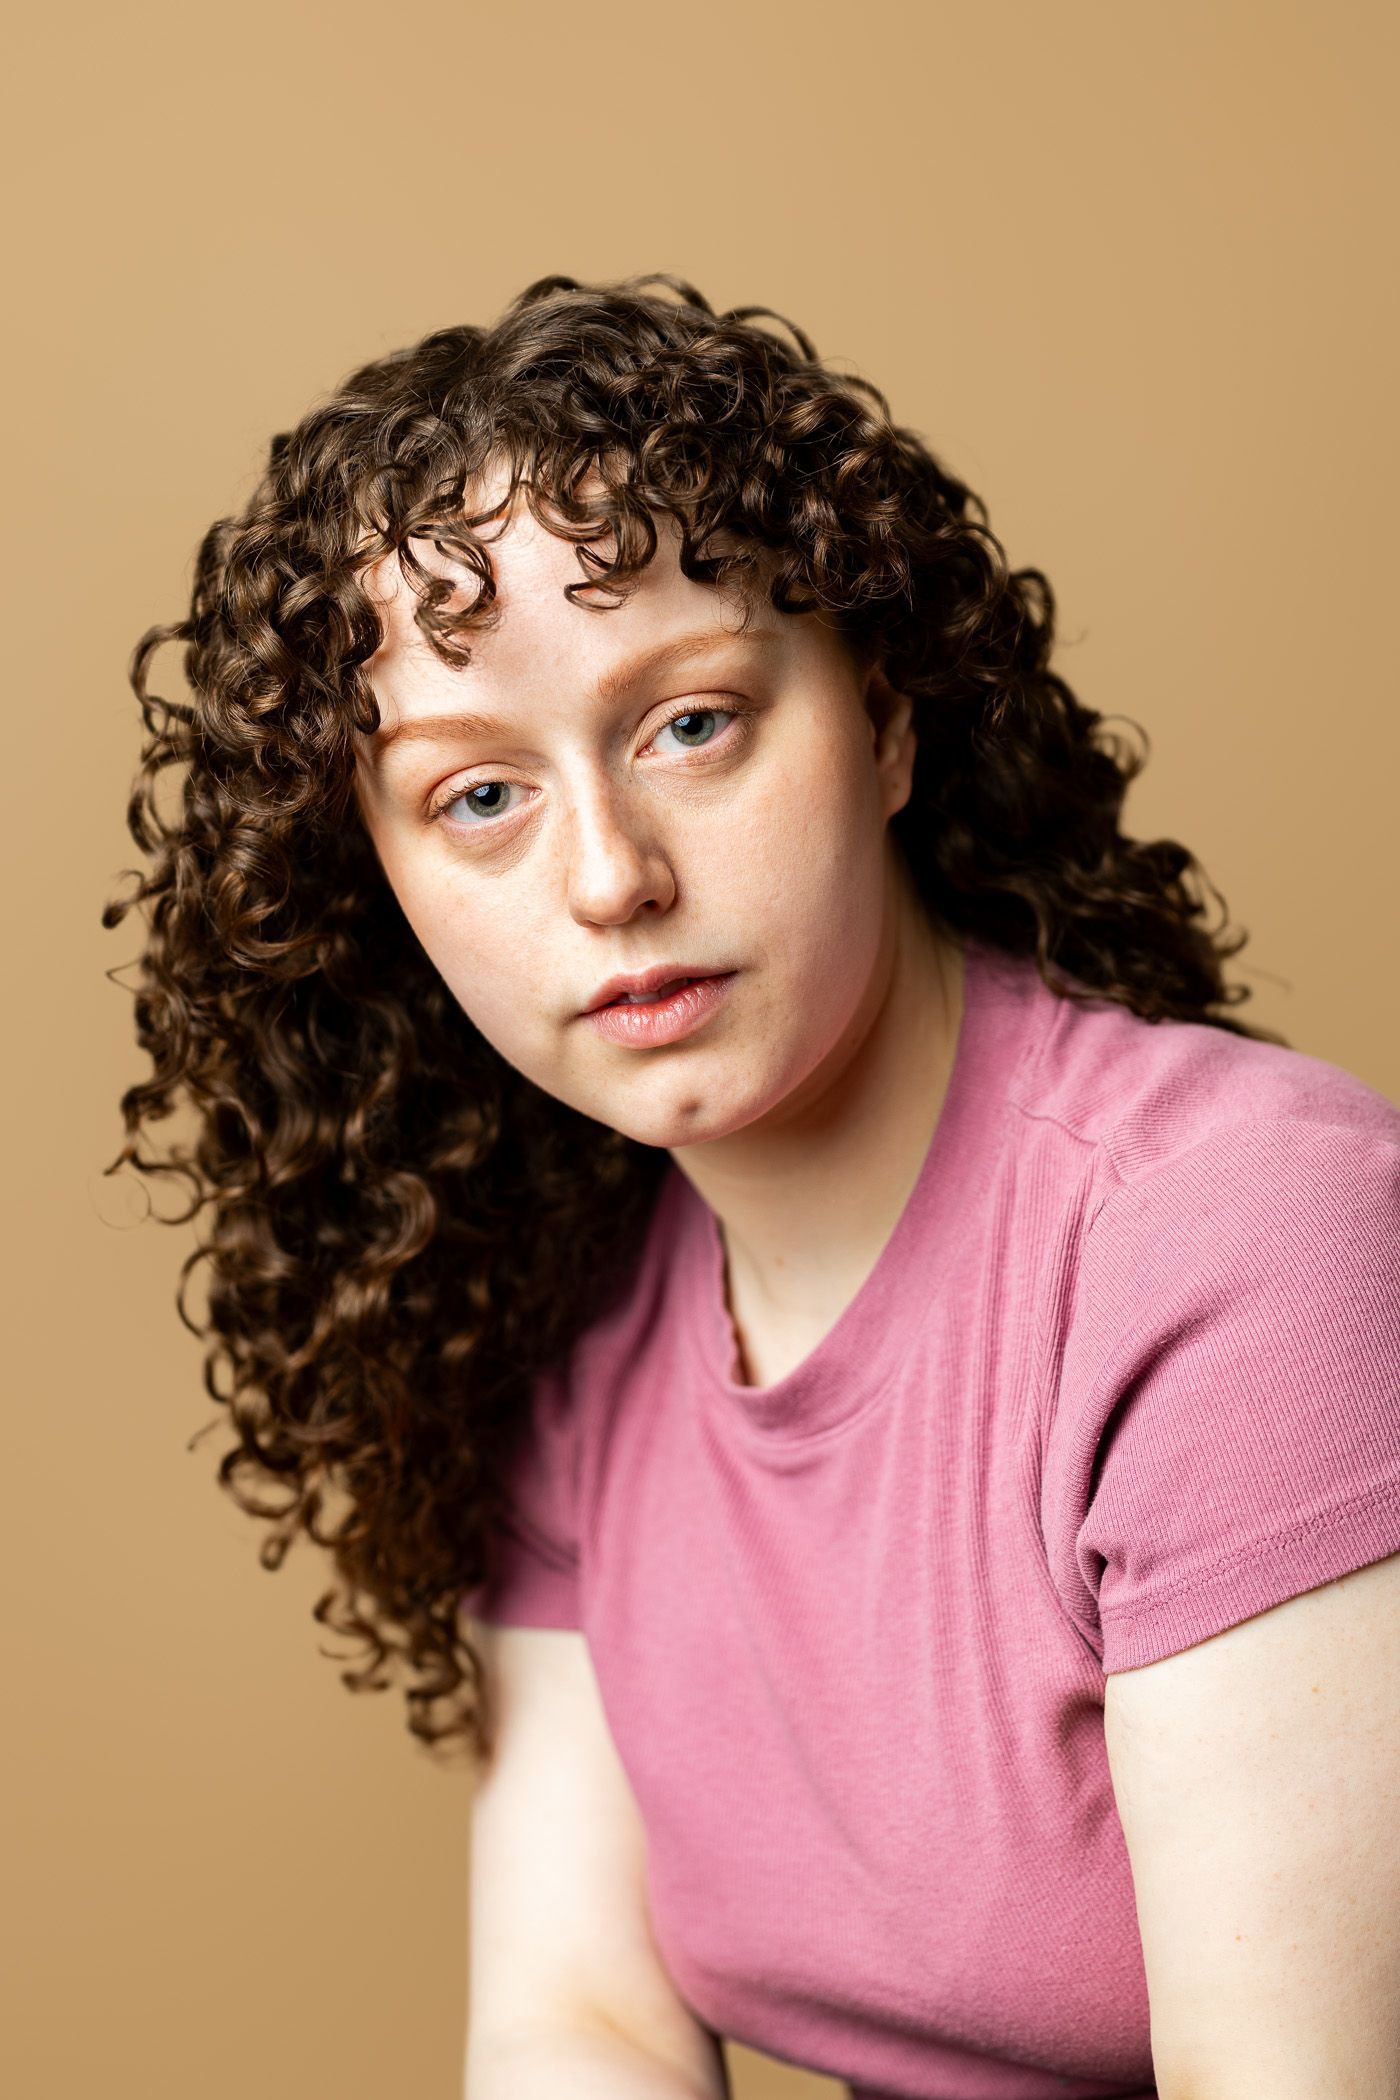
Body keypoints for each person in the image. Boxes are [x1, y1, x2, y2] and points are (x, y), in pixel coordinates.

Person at [105, 274, 1400, 2100]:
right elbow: (584, 2024)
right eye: (478, 798)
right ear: (380, 883)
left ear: (882, 717)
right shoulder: (569, 1323)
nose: (610, 877)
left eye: (690, 724)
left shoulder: (1240, 1237)